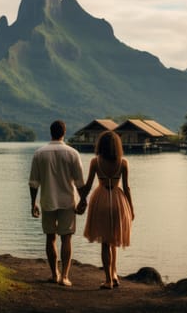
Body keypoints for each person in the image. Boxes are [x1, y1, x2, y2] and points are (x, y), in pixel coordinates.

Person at [29, 120, 85, 287]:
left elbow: (33, 183)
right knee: (66, 239)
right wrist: (83, 200)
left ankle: (54, 274)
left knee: (50, 238)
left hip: (47, 200)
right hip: (68, 201)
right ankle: (65, 277)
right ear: (64, 132)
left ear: (50, 132)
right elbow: (80, 182)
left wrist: (33, 203)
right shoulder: (73, 153)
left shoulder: (39, 153)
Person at [78, 130, 134, 290]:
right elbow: (127, 188)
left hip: (100, 199)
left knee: (105, 243)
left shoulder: (95, 162)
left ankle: (109, 279)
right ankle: (114, 274)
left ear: (101, 145)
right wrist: (131, 208)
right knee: (114, 240)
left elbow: (88, 186)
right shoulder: (123, 163)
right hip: (118, 200)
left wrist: (81, 200)